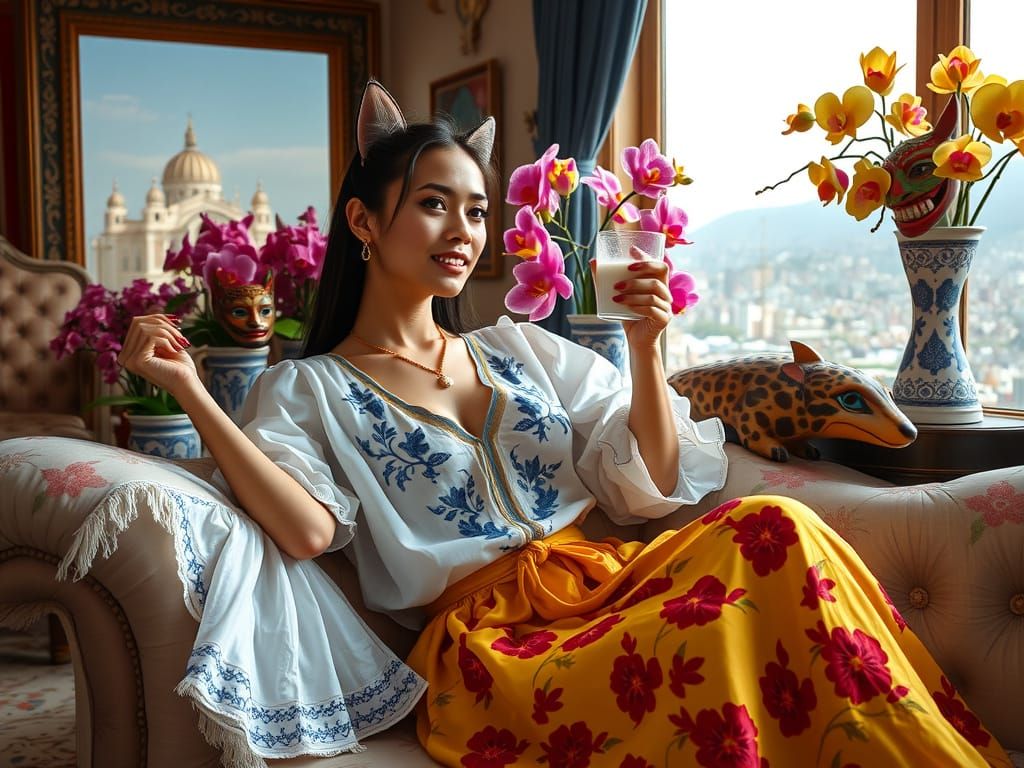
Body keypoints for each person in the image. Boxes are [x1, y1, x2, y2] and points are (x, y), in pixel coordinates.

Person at [119, 80, 1011, 768]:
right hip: (495, 651)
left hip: (613, 585)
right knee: (728, 607)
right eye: (433, 203)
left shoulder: (524, 349)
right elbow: (309, 530)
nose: (463, 229)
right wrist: (196, 392)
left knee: (776, 525)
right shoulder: (305, 391)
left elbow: (652, 480)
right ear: (363, 218)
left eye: (476, 209)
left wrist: (649, 347)